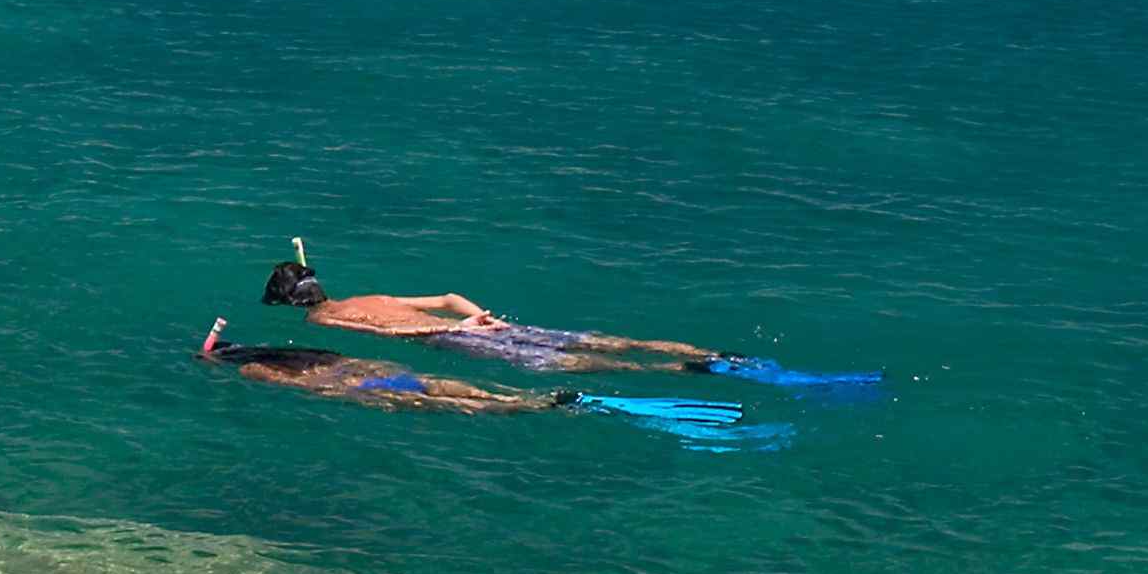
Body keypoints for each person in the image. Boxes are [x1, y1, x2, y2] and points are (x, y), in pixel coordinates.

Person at [259, 256, 878, 389]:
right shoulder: (374, 287)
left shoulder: (326, 323)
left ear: (290, 303)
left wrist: (464, 335)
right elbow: (449, 293)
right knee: (605, 341)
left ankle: (698, 370)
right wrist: (482, 318)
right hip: (487, 324)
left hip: (466, 342)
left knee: (585, 363)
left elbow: (397, 335)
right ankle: (713, 353)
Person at [197, 319, 747, 433]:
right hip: (384, 372)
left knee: (460, 406)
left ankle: (530, 404)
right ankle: (522, 396)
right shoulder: (315, 348)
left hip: (362, 391)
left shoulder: (256, 370)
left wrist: (219, 365)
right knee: (450, 391)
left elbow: (288, 385)